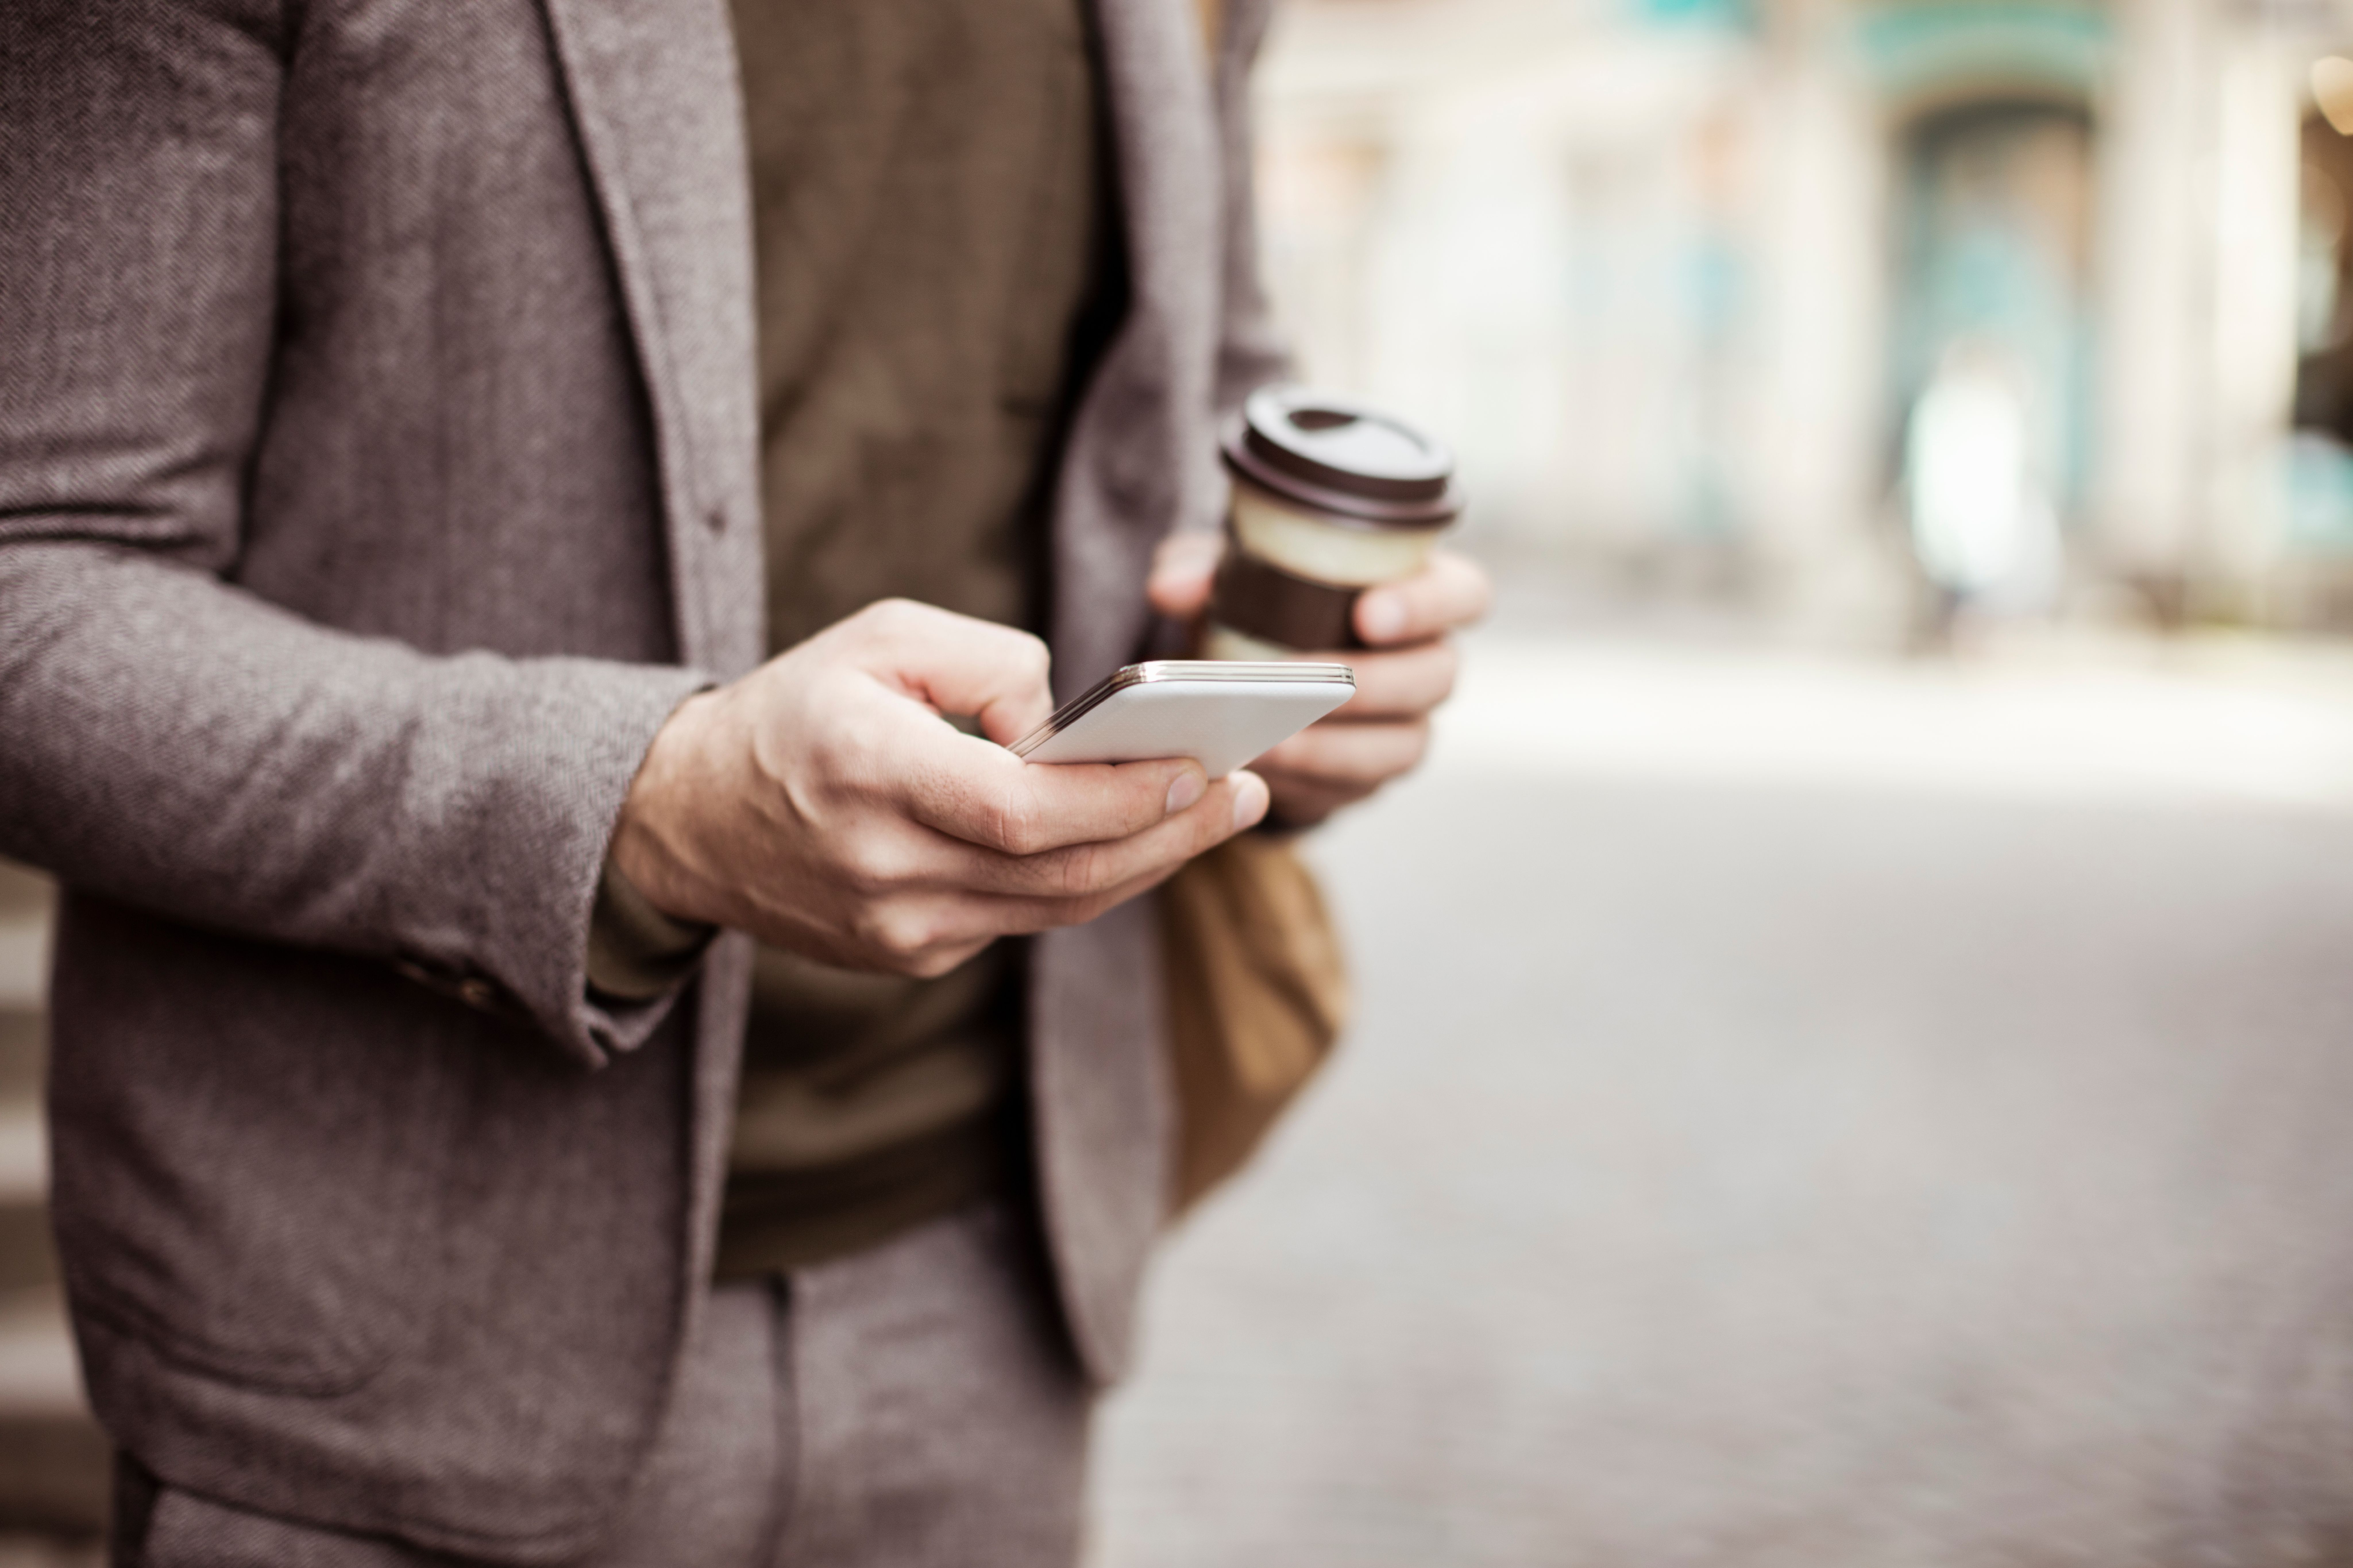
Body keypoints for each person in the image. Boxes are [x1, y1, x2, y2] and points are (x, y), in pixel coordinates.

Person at [0, 0, 1488, 1562]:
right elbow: (38, 577)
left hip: (994, 1294)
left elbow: (1193, 406)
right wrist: (642, 802)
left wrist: (1273, 669)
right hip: (371, 1341)